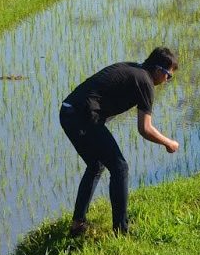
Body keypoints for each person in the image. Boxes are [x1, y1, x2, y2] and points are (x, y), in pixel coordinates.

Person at [58, 47, 181, 237]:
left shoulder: (135, 71)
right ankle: (121, 230)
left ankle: (77, 225)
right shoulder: (145, 81)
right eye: (168, 76)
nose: (167, 81)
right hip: (82, 117)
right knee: (120, 168)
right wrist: (168, 143)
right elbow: (145, 129)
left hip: (68, 112)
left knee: (96, 165)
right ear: (158, 70)